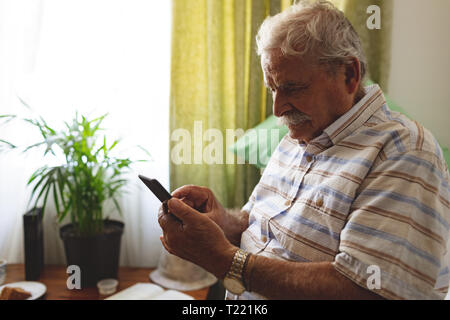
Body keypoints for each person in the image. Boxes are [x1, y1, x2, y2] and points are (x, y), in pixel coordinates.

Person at [158, 1, 450, 300]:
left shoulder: (402, 152)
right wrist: (221, 222)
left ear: (349, 74)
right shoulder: (299, 134)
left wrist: (221, 259)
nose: (278, 107)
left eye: (292, 88)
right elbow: (259, 226)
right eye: (273, 88)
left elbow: (365, 289)